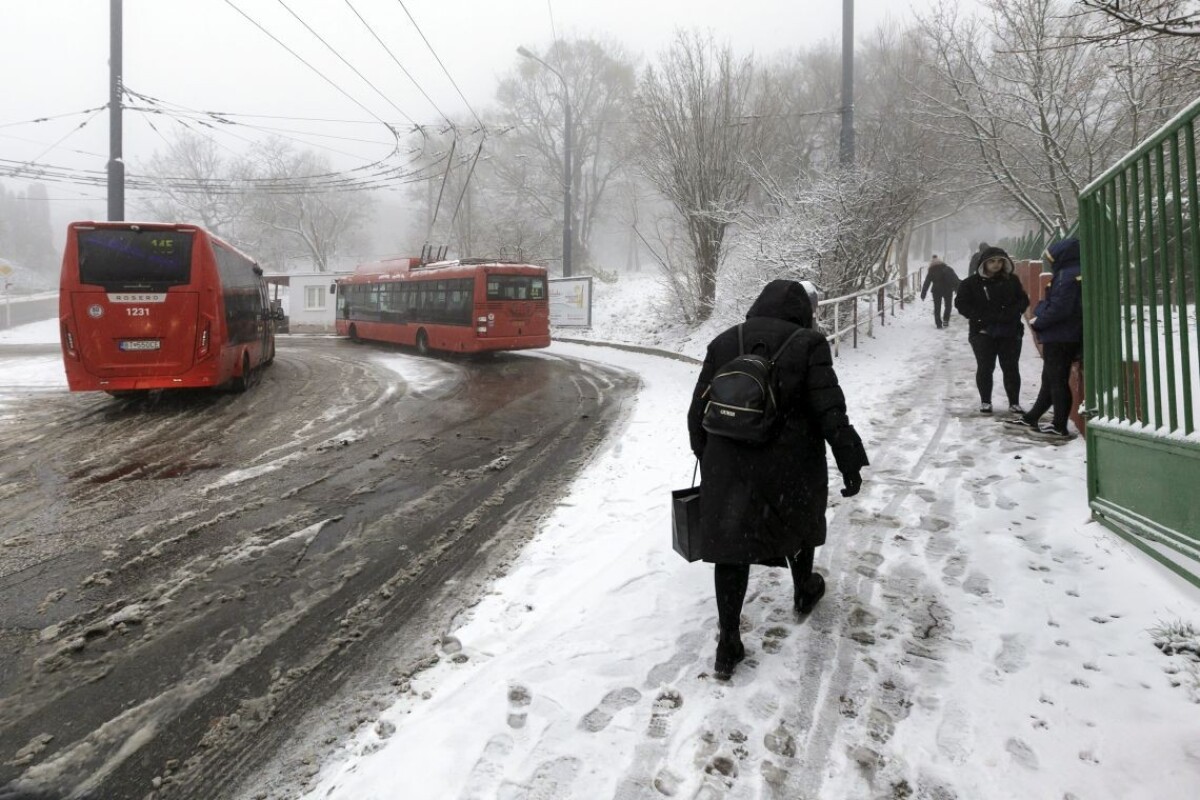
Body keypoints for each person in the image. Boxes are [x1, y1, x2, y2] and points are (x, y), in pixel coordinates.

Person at [687, 279, 869, 680]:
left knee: (731, 547)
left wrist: (708, 455)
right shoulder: (809, 344)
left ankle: (728, 641)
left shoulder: (724, 341)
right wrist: (850, 460)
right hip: (792, 462)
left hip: (729, 459)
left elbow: (696, 409)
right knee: (798, 524)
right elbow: (830, 410)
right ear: (803, 311)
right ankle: (804, 590)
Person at [1005, 238, 1082, 438]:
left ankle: (1059, 425)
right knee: (1050, 379)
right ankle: (1032, 417)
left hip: (1061, 335)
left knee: (1056, 380)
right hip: (1064, 333)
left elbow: (1059, 307)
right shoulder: (1071, 273)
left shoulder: (1067, 275)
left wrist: (1038, 319)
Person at [954, 245, 1030, 414]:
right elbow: (961, 304)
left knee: (1010, 367)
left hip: (1010, 332)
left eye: (1000, 261)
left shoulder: (1012, 280)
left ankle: (1014, 403)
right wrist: (980, 316)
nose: (996, 265)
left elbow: (1023, 300)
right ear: (984, 264)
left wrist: (1013, 312)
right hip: (983, 332)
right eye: (992, 262)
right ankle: (985, 401)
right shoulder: (971, 283)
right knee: (985, 367)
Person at [920, 255, 960, 329]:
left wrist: (923, 294)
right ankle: (946, 320)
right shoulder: (948, 268)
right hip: (948, 289)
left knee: (937, 307)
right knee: (948, 305)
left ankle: (938, 323)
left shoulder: (931, 271)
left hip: (936, 290)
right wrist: (958, 289)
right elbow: (955, 279)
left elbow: (927, 283)